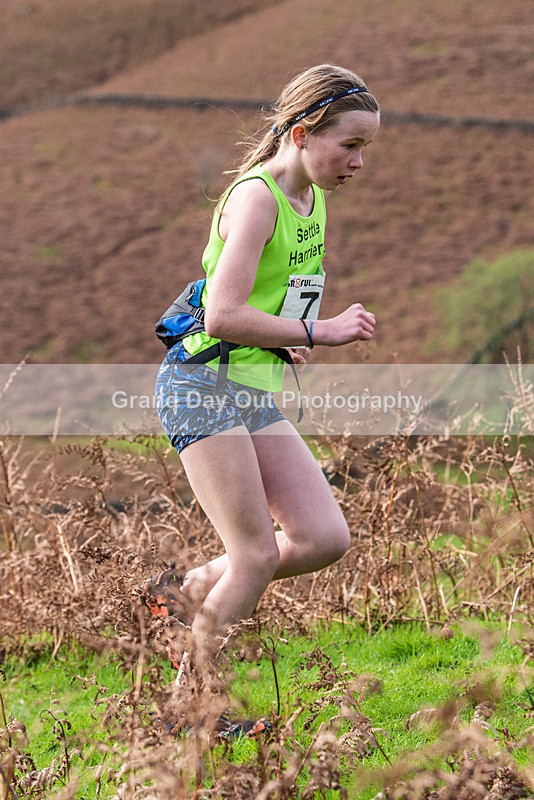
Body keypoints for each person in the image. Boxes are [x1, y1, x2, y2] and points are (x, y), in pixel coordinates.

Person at [144, 64, 380, 681]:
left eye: (366, 149)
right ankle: (191, 711)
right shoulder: (256, 198)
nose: (359, 162)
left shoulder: (313, 198)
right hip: (202, 387)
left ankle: (185, 589)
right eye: (349, 145)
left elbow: (267, 301)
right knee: (252, 554)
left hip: (250, 388)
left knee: (323, 536)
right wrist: (318, 331)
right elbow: (221, 316)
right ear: (302, 134)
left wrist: (285, 339)